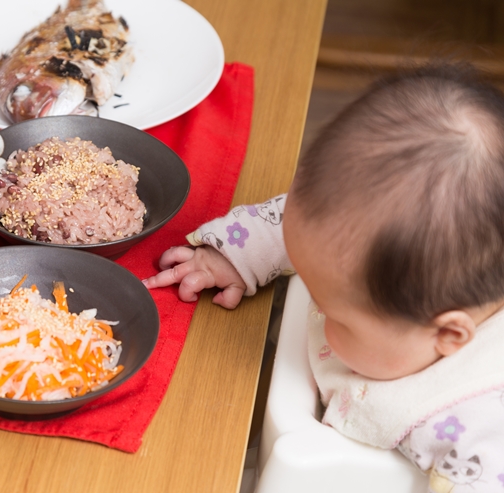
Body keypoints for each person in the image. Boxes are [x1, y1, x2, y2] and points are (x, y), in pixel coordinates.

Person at [143, 64, 504, 492]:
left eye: (336, 314)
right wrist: (230, 256)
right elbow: (300, 221)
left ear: (448, 334)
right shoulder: (370, 234)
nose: (316, 304)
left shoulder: (475, 431)